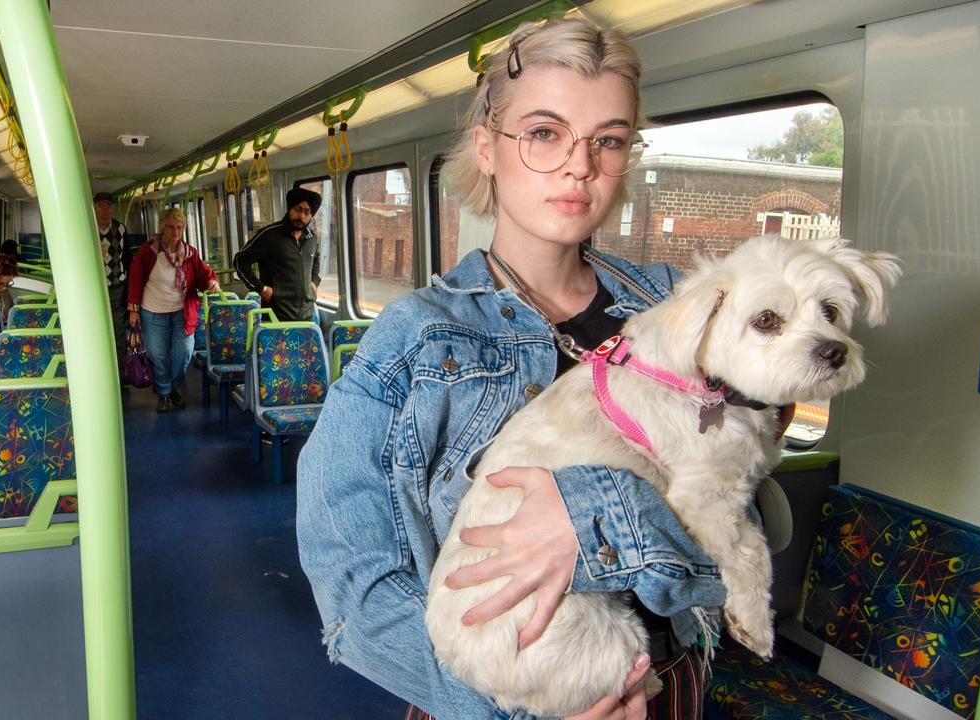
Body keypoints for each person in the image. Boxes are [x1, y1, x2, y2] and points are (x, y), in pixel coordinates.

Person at [297, 17, 731, 720]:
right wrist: (504, 713)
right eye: (544, 133)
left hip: (662, 685)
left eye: (608, 140)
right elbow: (352, 581)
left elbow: (737, 529)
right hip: (487, 700)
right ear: (488, 148)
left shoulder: (673, 308)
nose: (579, 165)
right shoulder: (417, 340)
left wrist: (592, 519)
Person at [126, 207, 219, 413]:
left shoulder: (190, 253)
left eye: (179, 227)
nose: (175, 232)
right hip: (153, 311)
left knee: (183, 353)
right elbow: (136, 278)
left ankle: (175, 386)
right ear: (162, 227)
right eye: (170, 227)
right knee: (157, 354)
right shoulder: (149, 251)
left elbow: (204, 275)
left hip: (182, 312)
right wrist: (133, 309)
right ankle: (164, 393)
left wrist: (212, 282)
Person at [233, 186, 322, 322]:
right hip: (275, 317)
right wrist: (260, 288)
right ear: (290, 209)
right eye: (297, 210)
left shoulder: (312, 238)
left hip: (306, 317)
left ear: (311, 215)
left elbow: (315, 260)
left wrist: (315, 282)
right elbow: (240, 261)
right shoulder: (270, 235)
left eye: (307, 212)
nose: (301, 216)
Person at [95, 191, 133, 382]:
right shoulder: (87, 228)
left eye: (108, 206)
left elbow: (127, 258)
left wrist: (127, 284)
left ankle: (119, 374)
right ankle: (100, 374)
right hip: (94, 289)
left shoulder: (120, 229)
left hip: (116, 286)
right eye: (101, 205)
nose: (105, 210)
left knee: (118, 331)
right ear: (95, 208)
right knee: (96, 331)